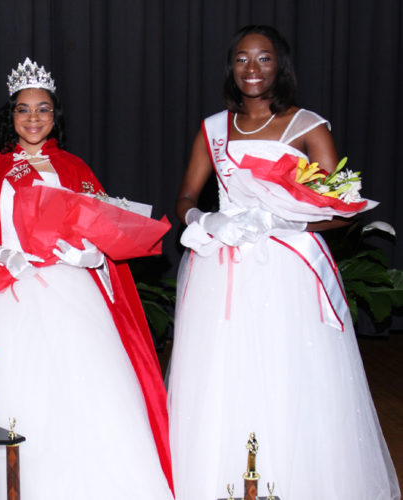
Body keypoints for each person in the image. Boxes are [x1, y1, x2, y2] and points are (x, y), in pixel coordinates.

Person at [0, 58, 174, 499]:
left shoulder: (74, 169)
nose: (33, 118)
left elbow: (100, 225)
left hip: (68, 288)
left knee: (81, 397)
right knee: (5, 392)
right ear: (11, 115)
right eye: (24, 109)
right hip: (8, 289)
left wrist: (90, 253)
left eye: (43, 109)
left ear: (55, 116)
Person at [168, 25, 400, 500]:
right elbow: (186, 197)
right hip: (225, 265)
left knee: (284, 366)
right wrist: (206, 220)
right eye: (242, 59)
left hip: (287, 265)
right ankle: (216, 476)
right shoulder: (214, 128)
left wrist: (286, 222)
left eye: (264, 59)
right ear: (231, 67)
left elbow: (341, 209)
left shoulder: (307, 126)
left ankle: (290, 477)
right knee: (220, 370)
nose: (252, 69)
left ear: (280, 66)